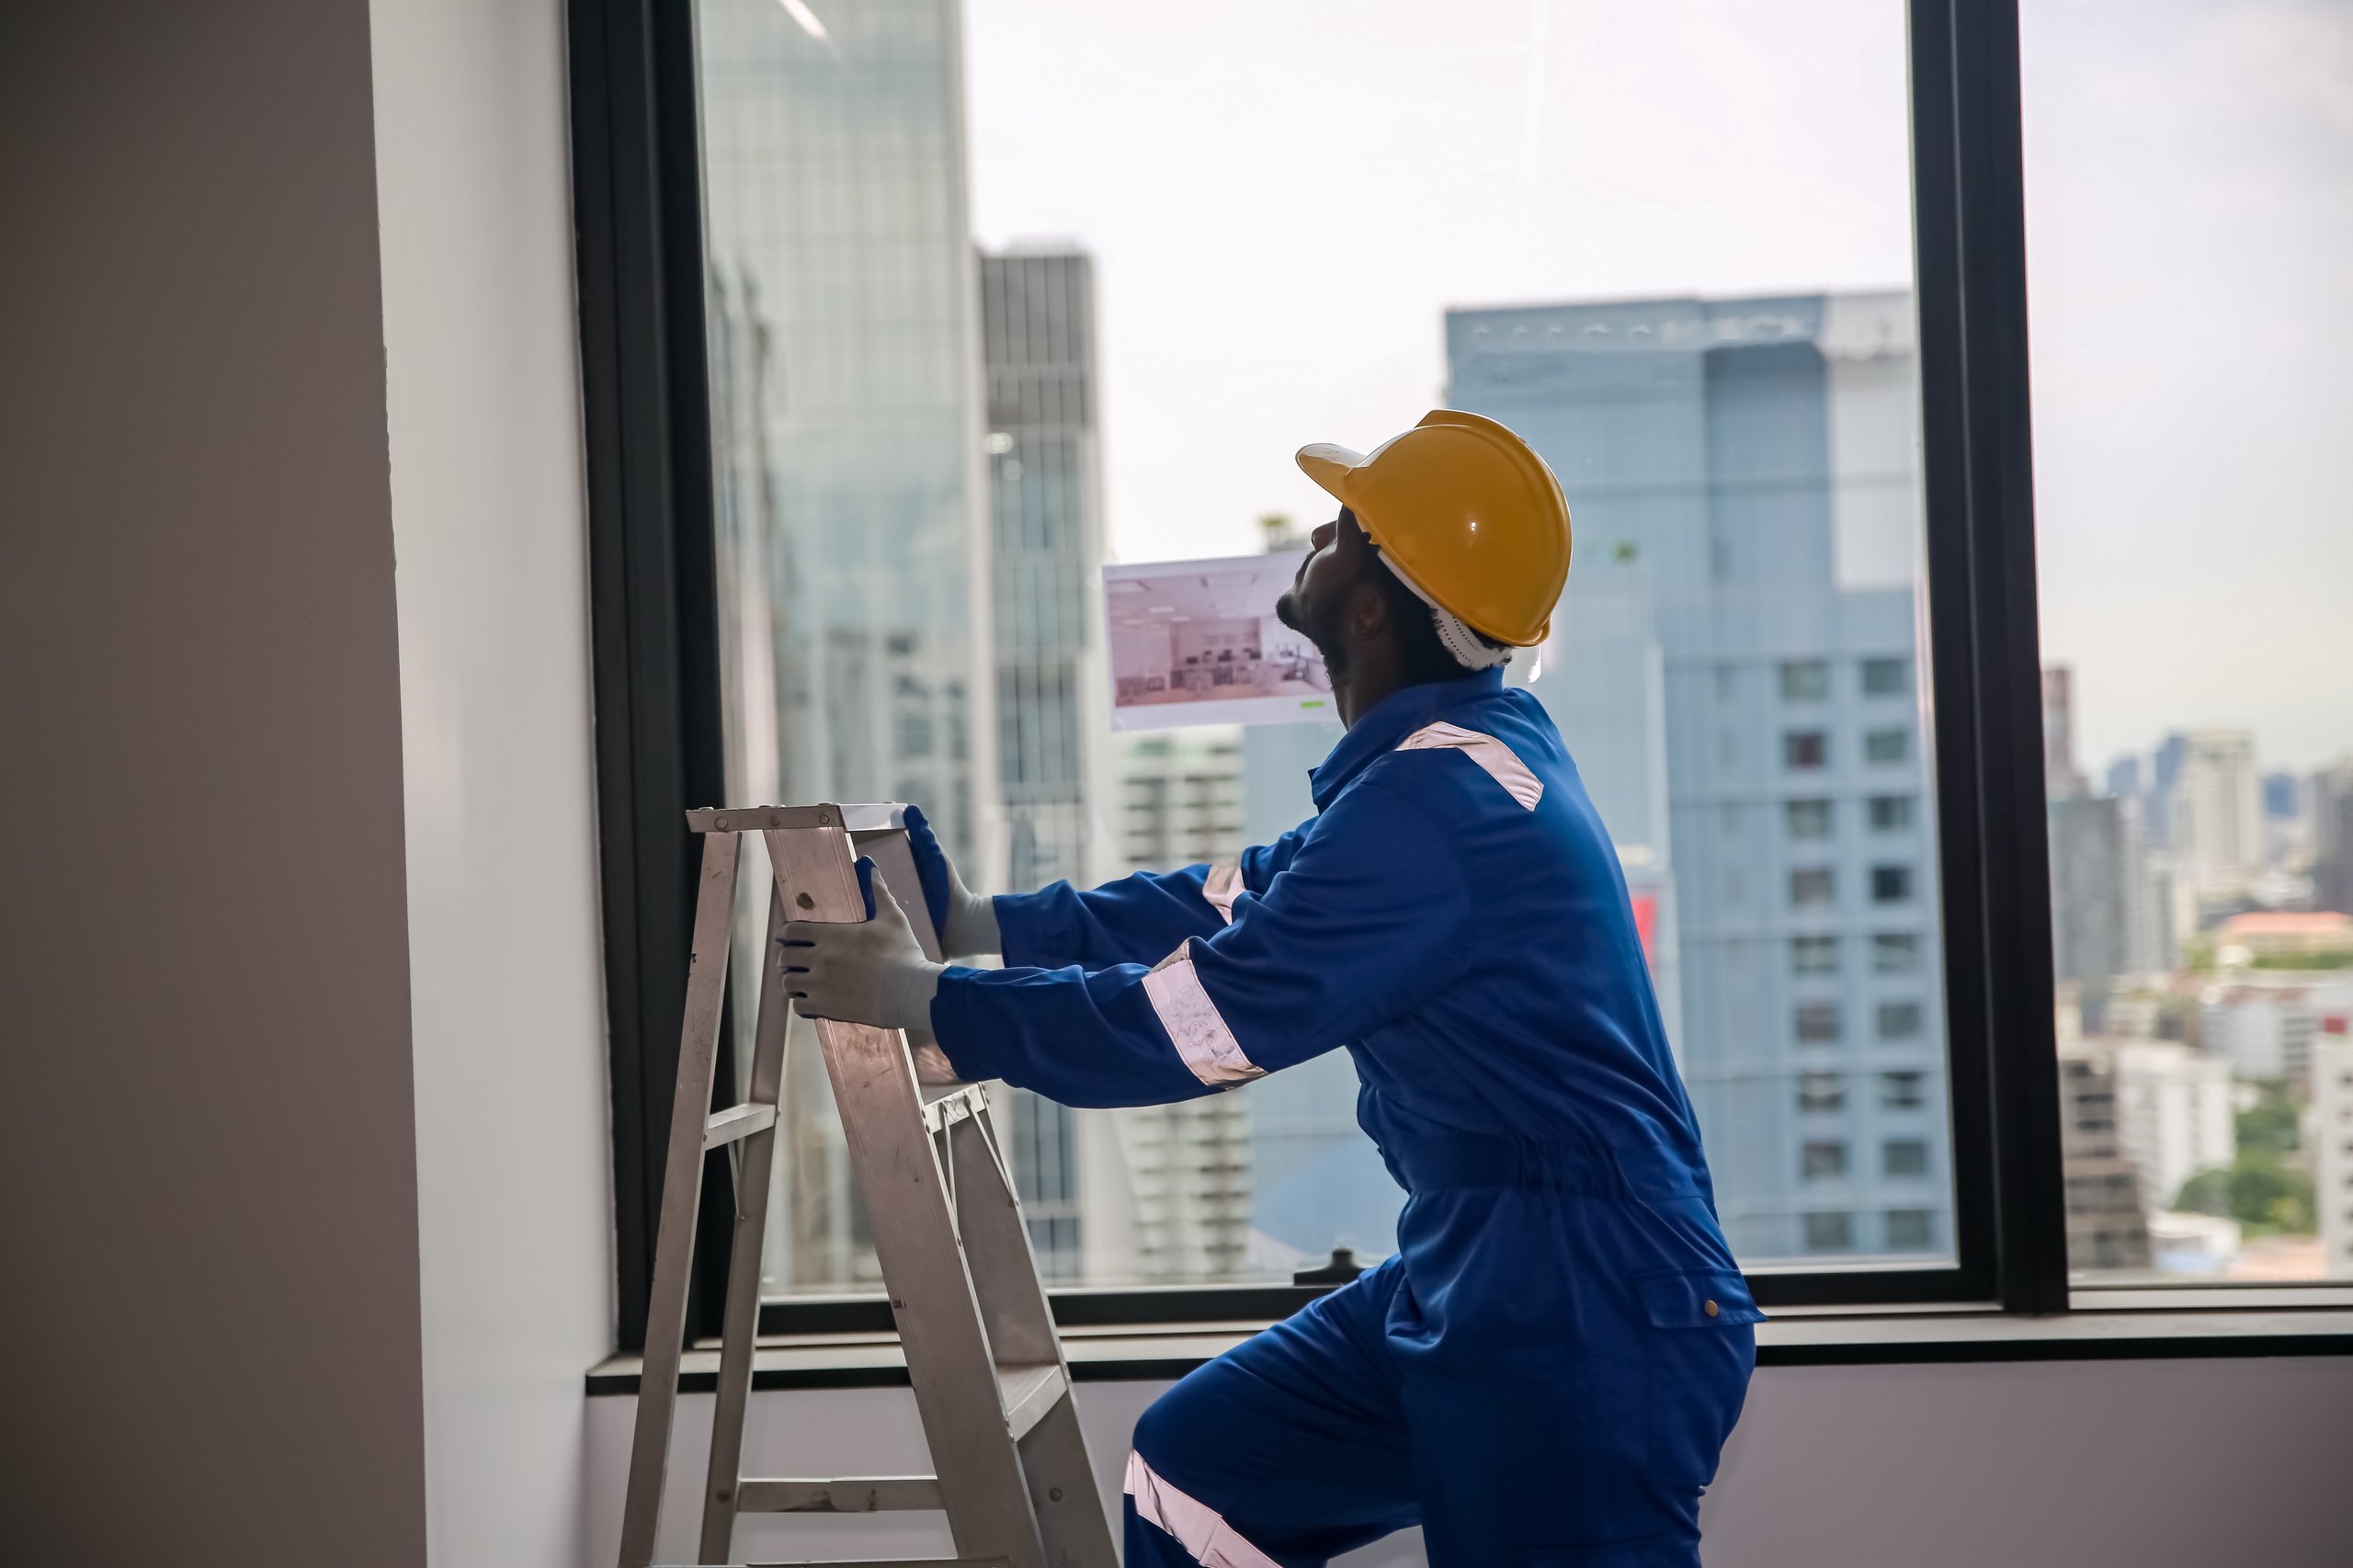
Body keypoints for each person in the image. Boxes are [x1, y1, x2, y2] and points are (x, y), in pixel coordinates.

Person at [782, 409, 1758, 1568]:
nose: (1316, 531)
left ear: (1370, 602)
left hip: (1584, 1303)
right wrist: (980, 926)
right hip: (1484, 1263)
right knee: (1203, 1470)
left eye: (1346, 526)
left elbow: (1185, 1026)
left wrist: (930, 999)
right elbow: (1221, 899)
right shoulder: (1433, 774)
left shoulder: (1438, 811)